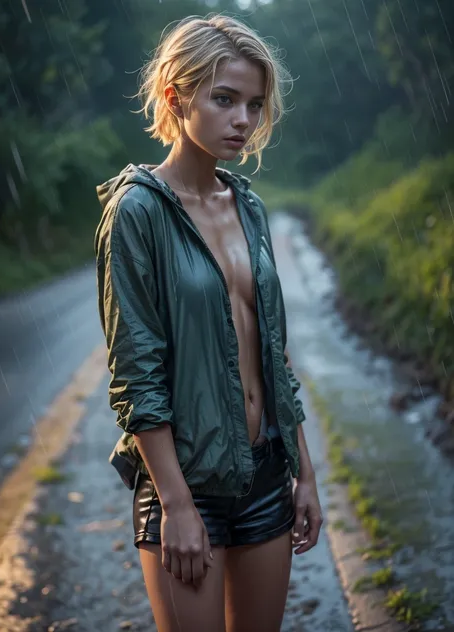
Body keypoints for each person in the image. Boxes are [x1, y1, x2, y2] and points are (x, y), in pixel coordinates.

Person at [95, 13, 323, 632]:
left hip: (265, 477)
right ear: (176, 95)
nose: (243, 120)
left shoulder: (248, 206)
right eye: (224, 99)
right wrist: (175, 504)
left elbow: (273, 353)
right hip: (186, 487)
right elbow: (136, 375)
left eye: (253, 104)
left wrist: (303, 471)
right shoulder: (136, 211)